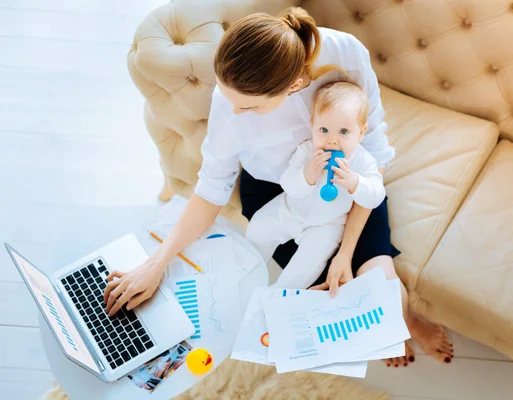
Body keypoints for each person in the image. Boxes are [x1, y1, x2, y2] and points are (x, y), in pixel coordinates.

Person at [104, 7, 453, 367]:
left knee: (383, 291)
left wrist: (346, 252)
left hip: (348, 182)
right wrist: (156, 263)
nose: (232, 111)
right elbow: (212, 186)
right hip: (276, 191)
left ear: (294, 86)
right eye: (227, 96)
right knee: (329, 291)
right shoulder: (228, 103)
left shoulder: (345, 53)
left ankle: (407, 320)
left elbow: (374, 148)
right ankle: (390, 323)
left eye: (249, 106)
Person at [246, 81, 386, 289]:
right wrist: (307, 174)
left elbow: (376, 196)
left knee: (307, 266)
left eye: (344, 132)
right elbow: (288, 185)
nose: (332, 141)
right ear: (312, 125)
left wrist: (355, 183)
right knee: (257, 230)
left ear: (361, 132)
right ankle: (245, 275)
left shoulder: (363, 162)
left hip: (326, 224)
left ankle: (279, 294)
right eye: (323, 130)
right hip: (289, 210)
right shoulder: (306, 151)